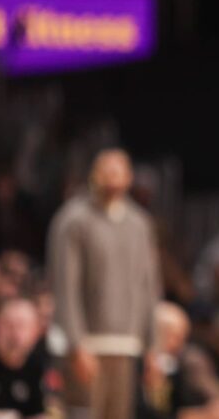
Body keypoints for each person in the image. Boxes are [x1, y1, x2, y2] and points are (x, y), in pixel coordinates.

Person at [46, 147, 162, 419]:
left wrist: (154, 348)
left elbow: (149, 286)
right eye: (105, 169)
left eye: (118, 170)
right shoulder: (73, 219)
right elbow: (65, 286)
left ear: (129, 177)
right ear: (93, 174)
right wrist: (75, 342)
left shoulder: (140, 223)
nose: (111, 176)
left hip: (127, 343)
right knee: (83, 413)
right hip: (89, 343)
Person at [0, 298, 48, 418]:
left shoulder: (37, 365)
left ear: (35, 332)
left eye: (21, 326)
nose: (14, 335)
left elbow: (38, 413)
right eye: (8, 325)